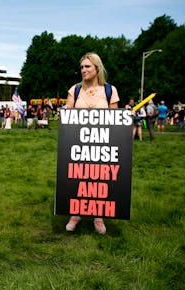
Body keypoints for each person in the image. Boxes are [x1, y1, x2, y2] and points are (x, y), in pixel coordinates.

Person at [64, 52, 120, 235]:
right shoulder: (75, 90)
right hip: (77, 144)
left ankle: (98, 217)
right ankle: (75, 215)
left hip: (101, 144)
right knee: (78, 179)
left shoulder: (110, 91)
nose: (83, 70)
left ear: (97, 68)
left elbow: (115, 121)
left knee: (98, 180)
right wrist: (64, 111)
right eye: (82, 67)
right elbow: (68, 114)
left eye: (87, 66)